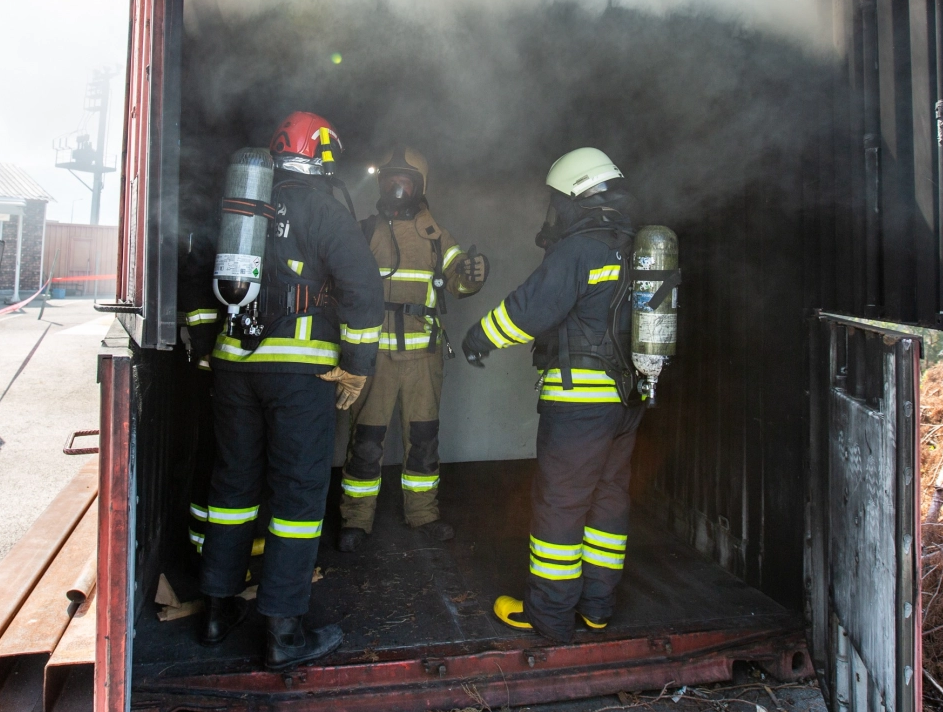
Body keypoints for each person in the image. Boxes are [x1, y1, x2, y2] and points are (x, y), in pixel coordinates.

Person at [198, 111, 384, 670]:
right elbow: (363, 294)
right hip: (302, 375)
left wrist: (210, 346)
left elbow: (197, 278)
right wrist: (356, 365)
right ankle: (283, 632)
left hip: (235, 369)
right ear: (320, 154)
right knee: (298, 499)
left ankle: (215, 611)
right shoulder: (325, 209)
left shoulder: (240, 209)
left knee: (231, 491)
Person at [459, 147, 642, 643]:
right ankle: (597, 608)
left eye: (559, 200)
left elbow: (529, 311)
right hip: (627, 402)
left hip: (580, 402)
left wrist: (480, 336)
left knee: (561, 506)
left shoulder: (579, 249)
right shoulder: (633, 245)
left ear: (575, 195)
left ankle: (550, 616)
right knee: (607, 502)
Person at [338, 146, 489, 552]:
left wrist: (474, 276)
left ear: (420, 186)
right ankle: (356, 520)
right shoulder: (364, 229)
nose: (396, 187)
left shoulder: (436, 235)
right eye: (389, 179)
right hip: (373, 358)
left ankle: (423, 514)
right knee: (365, 442)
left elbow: (459, 281)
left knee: (423, 440)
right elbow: (337, 280)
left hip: (423, 357)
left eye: (404, 179)